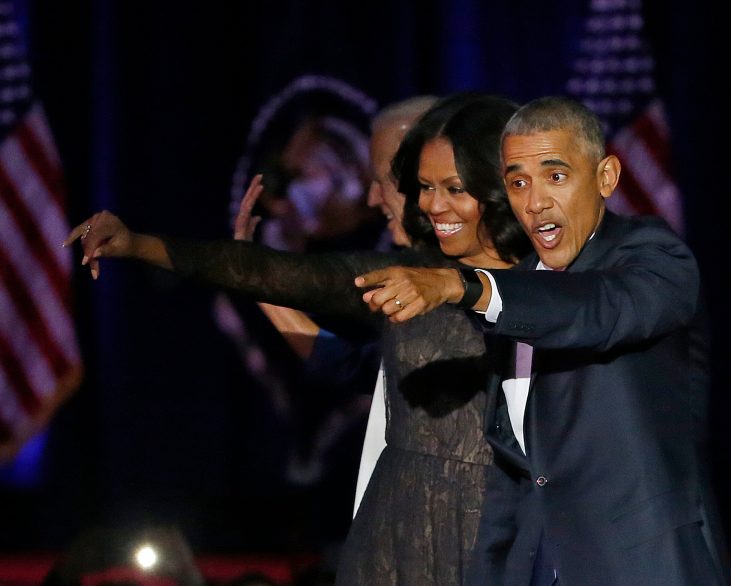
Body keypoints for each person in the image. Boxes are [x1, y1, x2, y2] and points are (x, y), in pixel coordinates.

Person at [65, 92, 532, 585]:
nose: (428, 204)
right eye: (422, 186)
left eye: (450, 187)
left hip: (503, 533)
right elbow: (344, 357)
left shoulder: (553, 286)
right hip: (405, 532)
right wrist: (141, 245)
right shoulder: (404, 276)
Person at [355, 96, 731, 585]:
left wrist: (462, 285)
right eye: (518, 183)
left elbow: (595, 308)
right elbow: (515, 478)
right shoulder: (521, 292)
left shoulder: (654, 258)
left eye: (555, 176)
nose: (535, 202)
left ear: (605, 177)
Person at [234, 96, 439, 519]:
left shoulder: (516, 285)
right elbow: (352, 366)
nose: (371, 198)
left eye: (390, 179)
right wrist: (254, 277)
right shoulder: (404, 281)